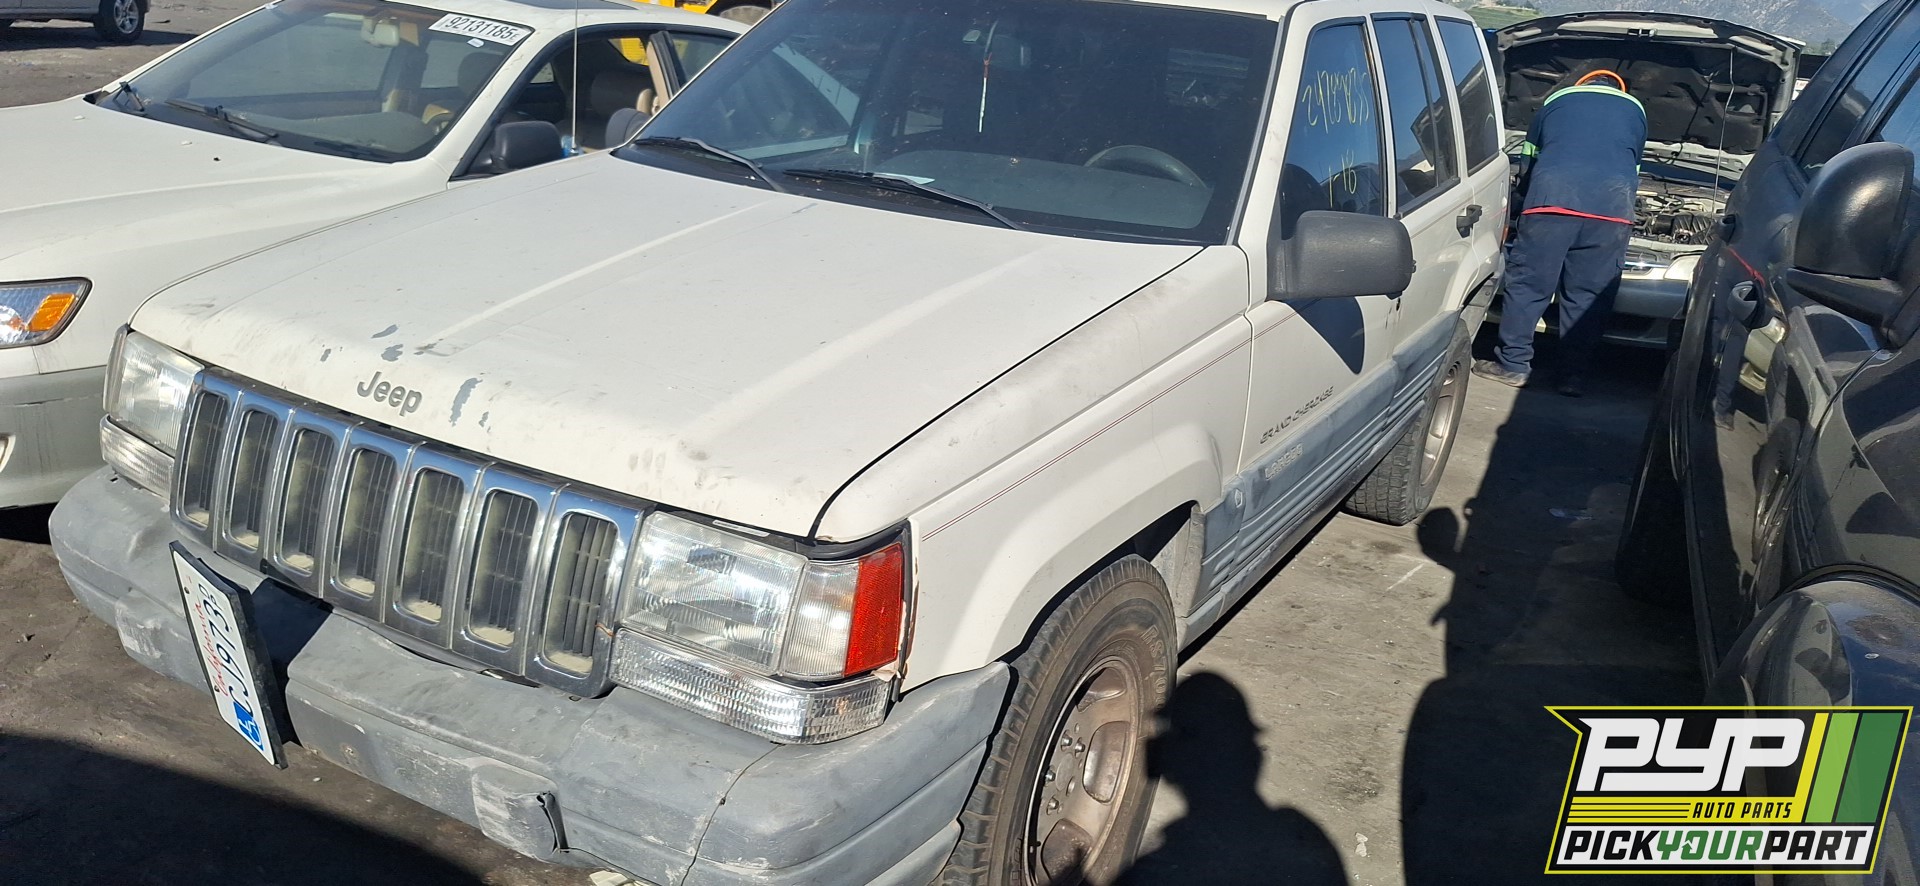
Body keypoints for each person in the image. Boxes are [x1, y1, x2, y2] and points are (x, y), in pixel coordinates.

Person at [1474, 69, 1646, 397]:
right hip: (1611, 213)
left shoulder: (1556, 99)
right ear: (1619, 87)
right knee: (1588, 296)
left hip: (1551, 206)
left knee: (1529, 286)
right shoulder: (1636, 109)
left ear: (1582, 84)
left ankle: (1513, 365)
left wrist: (1522, 205)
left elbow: (1528, 160)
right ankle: (1572, 377)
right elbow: (1634, 167)